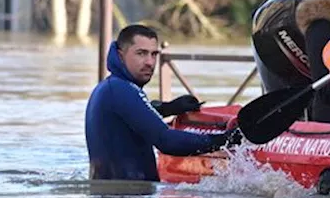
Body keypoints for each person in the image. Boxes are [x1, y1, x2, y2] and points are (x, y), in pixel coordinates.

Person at [85, 24, 240, 181]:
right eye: (141, 53)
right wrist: (225, 139)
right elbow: (166, 141)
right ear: (120, 55)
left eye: (154, 54)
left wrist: (168, 108)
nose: (150, 62)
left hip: (116, 197)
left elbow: (133, 115)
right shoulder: (121, 89)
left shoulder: (111, 87)